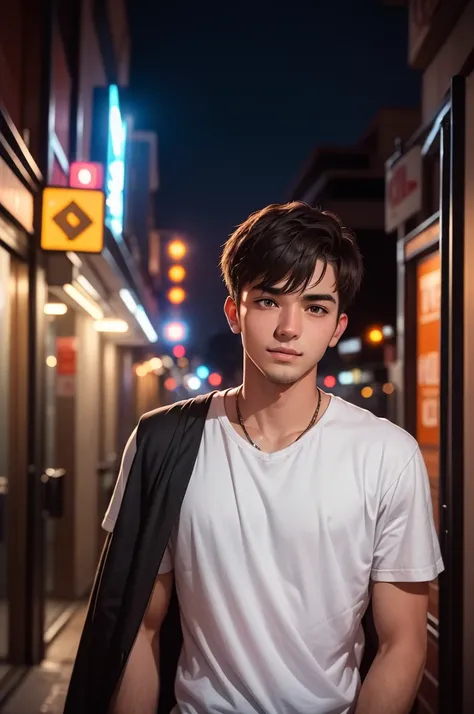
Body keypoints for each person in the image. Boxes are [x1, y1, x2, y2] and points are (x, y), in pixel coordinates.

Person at [70, 202, 444, 714]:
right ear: (234, 312)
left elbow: (404, 644)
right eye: (269, 301)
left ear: (336, 326)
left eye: (315, 307)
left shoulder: (387, 454)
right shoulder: (165, 440)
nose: (290, 327)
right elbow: (137, 626)